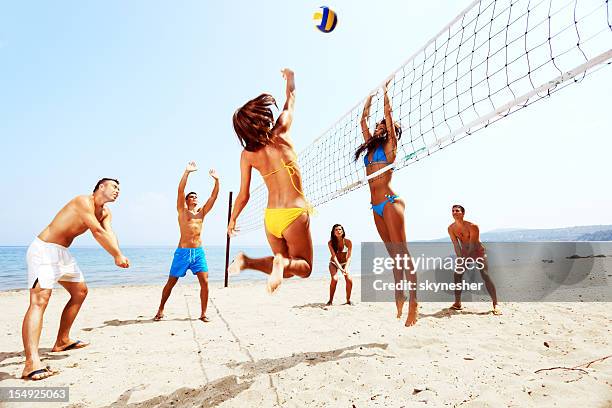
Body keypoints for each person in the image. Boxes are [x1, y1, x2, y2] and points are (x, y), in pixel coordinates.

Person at [21, 178, 129, 380]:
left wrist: (118, 252)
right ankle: (31, 363)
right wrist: (115, 255)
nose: (117, 191)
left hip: (62, 253)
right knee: (39, 301)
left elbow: (108, 232)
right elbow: (97, 232)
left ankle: (62, 340)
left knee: (80, 291)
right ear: (100, 187)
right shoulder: (83, 202)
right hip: (44, 250)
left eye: (119, 189)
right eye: (114, 187)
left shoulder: (105, 212)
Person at [227, 68, 313, 293]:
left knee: (287, 268)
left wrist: (233, 219)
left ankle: (247, 261)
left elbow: (243, 195)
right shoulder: (281, 132)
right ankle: (278, 262)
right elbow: (291, 99)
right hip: (293, 214)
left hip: (271, 218)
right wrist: (291, 77)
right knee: (304, 267)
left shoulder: (246, 156)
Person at [355, 80, 418, 327]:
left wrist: (385, 92)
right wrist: (369, 98)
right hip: (376, 207)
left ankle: (414, 302)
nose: (380, 127)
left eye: (384, 125)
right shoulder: (370, 149)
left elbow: (390, 116)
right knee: (393, 256)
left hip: (391, 202)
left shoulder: (391, 146)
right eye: (379, 125)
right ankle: (398, 293)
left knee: (402, 253)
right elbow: (362, 121)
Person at [154, 162, 219, 322]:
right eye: (192, 197)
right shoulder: (182, 211)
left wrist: (217, 181)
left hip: (198, 253)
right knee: (171, 282)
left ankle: (203, 313)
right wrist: (187, 172)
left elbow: (213, 197)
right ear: (187, 200)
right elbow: (180, 190)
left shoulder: (202, 213)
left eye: (196, 197)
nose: (195, 198)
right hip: (182, 253)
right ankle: (160, 310)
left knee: (205, 282)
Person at [447, 204, 501, 315]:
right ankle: (457, 303)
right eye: (453, 211)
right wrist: (460, 258)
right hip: (465, 253)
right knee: (457, 275)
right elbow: (456, 245)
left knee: (484, 274)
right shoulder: (451, 228)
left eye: (457, 211)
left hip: (478, 252)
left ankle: (496, 304)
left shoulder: (472, 226)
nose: (454, 212)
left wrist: (465, 258)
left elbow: (472, 245)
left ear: (463, 213)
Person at [327, 224, 353, 306]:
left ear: (342, 231)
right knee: (334, 279)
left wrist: (346, 268)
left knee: (349, 280)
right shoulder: (330, 243)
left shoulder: (348, 242)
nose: (338, 231)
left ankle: (348, 300)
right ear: (333, 232)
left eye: (340, 229)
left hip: (344, 263)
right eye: (336, 230)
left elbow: (349, 257)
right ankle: (330, 301)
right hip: (334, 263)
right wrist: (340, 269)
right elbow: (334, 257)